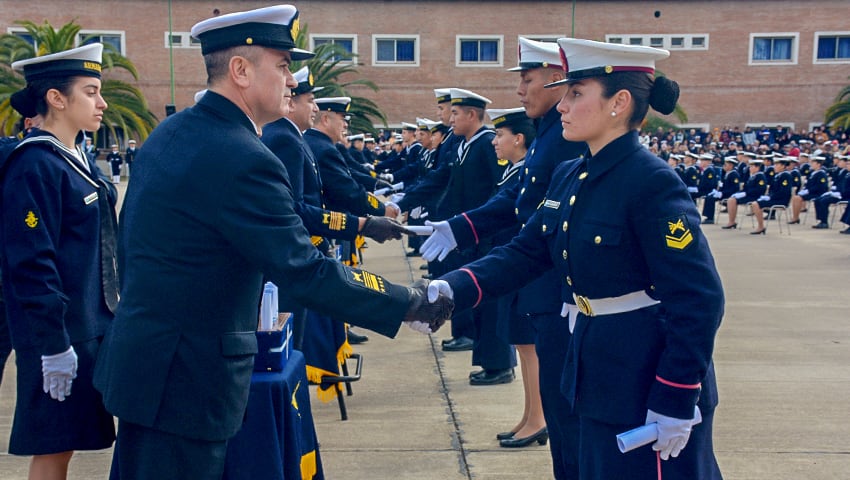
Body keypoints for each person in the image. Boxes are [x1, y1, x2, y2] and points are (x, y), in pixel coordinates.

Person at [91, 6, 451, 479]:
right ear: (240, 69)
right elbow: (302, 268)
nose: (290, 79)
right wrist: (407, 300)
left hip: (153, 366)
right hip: (187, 378)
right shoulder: (240, 155)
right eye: (281, 66)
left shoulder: (175, 131)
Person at [430, 38, 723, 479]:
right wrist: (449, 289)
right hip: (593, 366)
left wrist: (676, 393)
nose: (561, 105)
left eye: (575, 93)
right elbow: (528, 251)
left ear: (618, 103)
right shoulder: (573, 173)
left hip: (646, 380)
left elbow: (698, 299)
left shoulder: (651, 182)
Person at [419, 36, 585, 479]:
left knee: (573, 425)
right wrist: (461, 227)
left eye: (527, 79)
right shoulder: (553, 135)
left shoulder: (566, 140)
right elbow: (518, 196)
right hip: (538, 278)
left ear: (554, 77)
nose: (518, 90)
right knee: (563, 423)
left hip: (562, 293)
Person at [1, 43, 118, 480]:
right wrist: (52, 346)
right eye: (90, 91)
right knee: (53, 448)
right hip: (61, 336)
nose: (102, 102)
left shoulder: (74, 160)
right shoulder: (35, 165)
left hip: (88, 327)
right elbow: (32, 263)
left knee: (65, 446)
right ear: (56, 97)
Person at [749, 157, 793, 234]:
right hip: (775, 198)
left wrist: (770, 197)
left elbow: (783, 191)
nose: (774, 166)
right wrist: (768, 196)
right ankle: (760, 226)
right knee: (755, 203)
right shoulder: (778, 175)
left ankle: (761, 227)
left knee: (756, 204)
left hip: (781, 200)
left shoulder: (786, 176)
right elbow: (772, 190)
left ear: (783, 166)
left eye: (777, 164)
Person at [722, 159, 766, 229]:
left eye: (752, 167)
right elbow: (745, 188)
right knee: (731, 200)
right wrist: (739, 193)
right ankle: (732, 221)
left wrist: (746, 193)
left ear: (757, 168)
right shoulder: (752, 176)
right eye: (750, 167)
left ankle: (761, 226)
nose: (750, 169)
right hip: (748, 195)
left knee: (755, 204)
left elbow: (760, 189)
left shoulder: (760, 176)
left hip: (755, 196)